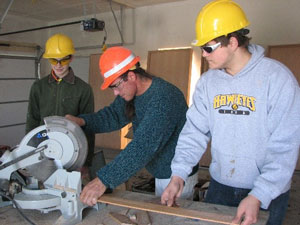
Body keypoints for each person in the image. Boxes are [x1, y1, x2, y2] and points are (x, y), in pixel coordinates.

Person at [161, 1, 300, 225]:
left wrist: (259, 194)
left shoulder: (277, 79)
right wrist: (178, 175)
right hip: (220, 185)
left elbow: (285, 145)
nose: (204, 55)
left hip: (267, 192)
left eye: (208, 48)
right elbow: (194, 132)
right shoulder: (207, 83)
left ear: (233, 42)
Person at [66, 46, 199, 206]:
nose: (115, 92)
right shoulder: (132, 93)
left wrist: (103, 180)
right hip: (161, 172)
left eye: (116, 86)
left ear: (131, 76)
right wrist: (82, 122)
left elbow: (143, 147)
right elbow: (112, 116)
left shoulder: (164, 98)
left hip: (177, 176)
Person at [26, 33, 96, 178]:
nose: (58, 65)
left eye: (63, 60)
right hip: (43, 148)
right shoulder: (38, 87)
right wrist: (29, 153)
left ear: (71, 58)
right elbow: (32, 120)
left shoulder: (83, 89)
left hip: (72, 150)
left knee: (68, 191)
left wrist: (85, 161)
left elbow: (89, 127)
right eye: (53, 60)